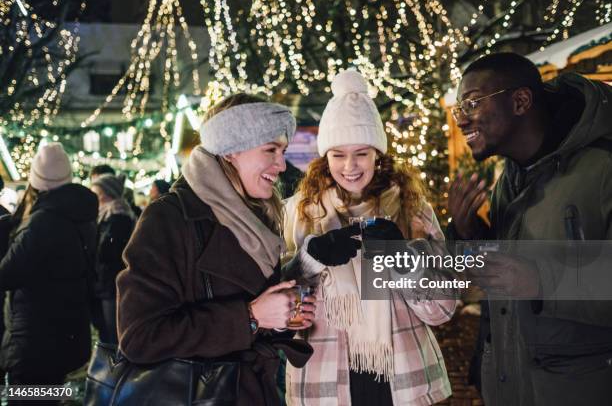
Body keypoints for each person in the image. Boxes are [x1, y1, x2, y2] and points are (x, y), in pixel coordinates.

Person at [116, 93, 315, 405]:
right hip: (196, 395)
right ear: (232, 151)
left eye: (283, 151)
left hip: (250, 391)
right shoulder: (170, 217)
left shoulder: (258, 216)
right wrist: (249, 317)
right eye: (270, 150)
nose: (281, 164)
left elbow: (252, 314)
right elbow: (140, 336)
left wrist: (280, 319)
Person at [283, 70, 456, 405]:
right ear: (324, 157)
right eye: (338, 154)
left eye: (362, 152)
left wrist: (404, 259)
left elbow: (443, 310)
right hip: (325, 383)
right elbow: (278, 313)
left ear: (378, 154)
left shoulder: (411, 210)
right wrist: (307, 259)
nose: (350, 165)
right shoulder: (297, 214)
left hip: (403, 382)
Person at [448, 52, 612, 405]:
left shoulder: (602, 167)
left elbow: (531, 277)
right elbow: (498, 279)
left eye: (472, 103)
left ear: (520, 101)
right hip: (511, 385)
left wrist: (543, 281)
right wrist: (469, 234)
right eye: (459, 109)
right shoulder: (512, 176)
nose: (462, 120)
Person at [0, 143, 97, 397]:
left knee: (28, 399)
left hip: (35, 341)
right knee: (47, 398)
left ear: (36, 181)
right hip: (66, 333)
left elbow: (7, 274)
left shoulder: (41, 223)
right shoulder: (81, 217)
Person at [90, 174, 136, 345]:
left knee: (112, 333)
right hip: (105, 281)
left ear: (105, 193)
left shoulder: (118, 215)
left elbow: (108, 251)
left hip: (111, 282)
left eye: (96, 191)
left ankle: (114, 369)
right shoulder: (107, 214)